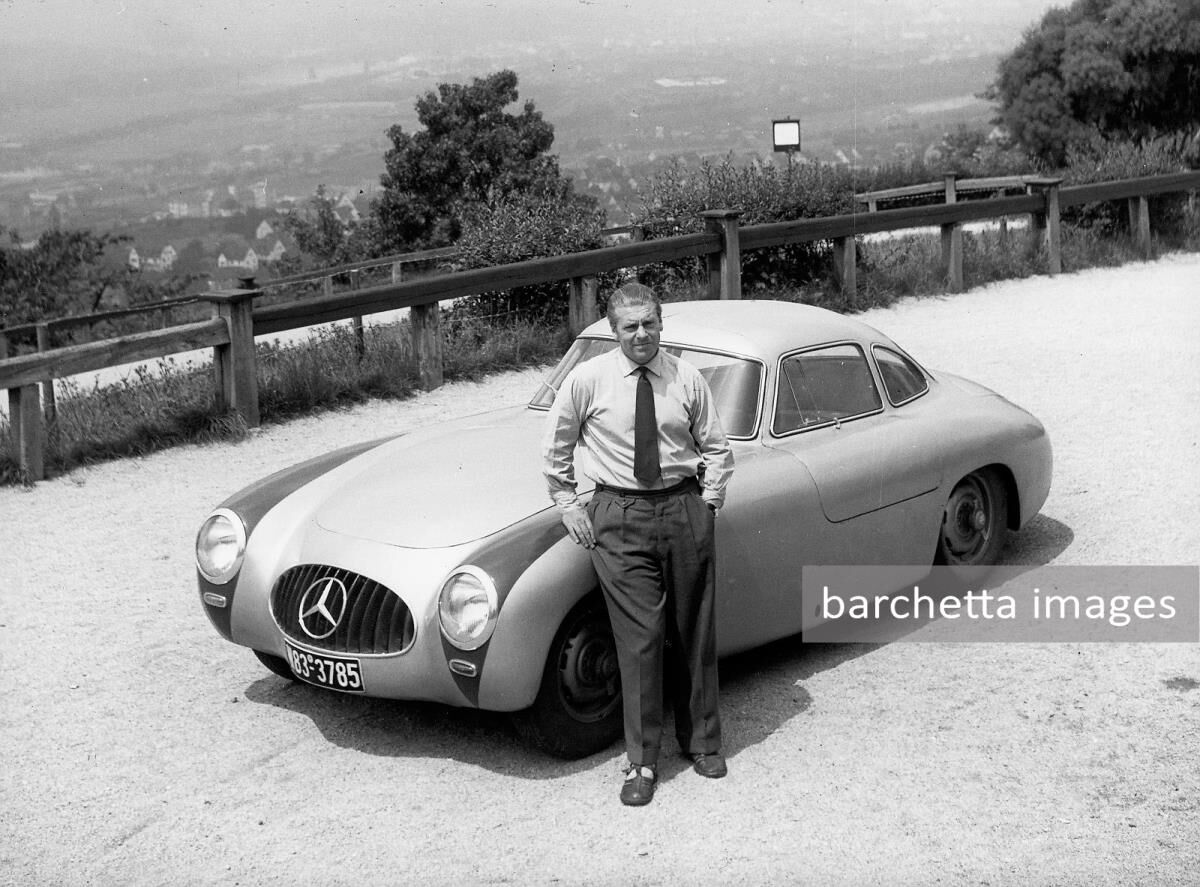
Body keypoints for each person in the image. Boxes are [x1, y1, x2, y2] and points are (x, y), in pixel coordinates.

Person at [542, 282, 734, 806]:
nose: (642, 334)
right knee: (641, 639)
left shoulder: (685, 377)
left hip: (682, 507)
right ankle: (642, 763)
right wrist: (569, 505)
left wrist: (708, 503)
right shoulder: (587, 381)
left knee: (694, 628)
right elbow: (556, 448)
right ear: (613, 330)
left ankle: (702, 743)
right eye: (630, 326)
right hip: (618, 514)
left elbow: (715, 446)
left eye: (649, 323)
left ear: (661, 322)